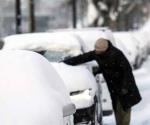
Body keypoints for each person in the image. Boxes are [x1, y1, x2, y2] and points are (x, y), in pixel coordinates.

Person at [62, 38, 142, 125]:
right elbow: (83, 58)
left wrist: (125, 88)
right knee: (117, 112)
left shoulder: (117, 54)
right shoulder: (98, 53)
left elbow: (127, 71)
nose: (97, 52)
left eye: (99, 51)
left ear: (105, 49)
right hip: (114, 88)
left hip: (125, 89)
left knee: (124, 112)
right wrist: (65, 62)